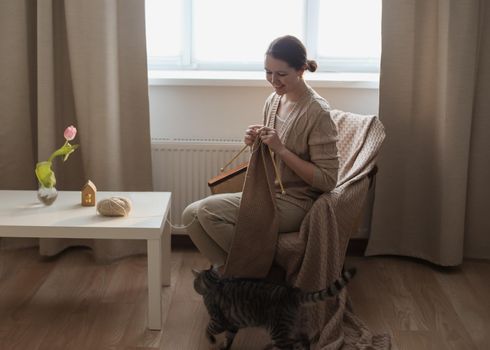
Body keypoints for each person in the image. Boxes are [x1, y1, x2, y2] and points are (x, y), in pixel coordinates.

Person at [182, 35, 339, 268]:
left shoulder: (318, 113)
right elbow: (271, 154)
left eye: (281, 74)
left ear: (301, 70)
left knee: (206, 212)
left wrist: (281, 149)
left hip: (297, 202)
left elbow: (328, 180)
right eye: (268, 72)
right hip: (267, 192)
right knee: (190, 215)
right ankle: (233, 277)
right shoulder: (274, 100)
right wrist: (255, 142)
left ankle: (255, 273)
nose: (273, 80)